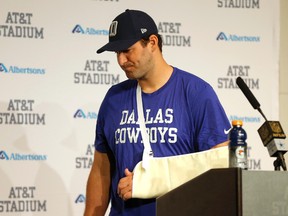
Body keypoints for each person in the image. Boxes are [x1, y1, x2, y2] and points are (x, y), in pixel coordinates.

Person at [84, 9, 230, 216]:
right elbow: (101, 170)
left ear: (152, 42)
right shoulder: (113, 99)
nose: (121, 60)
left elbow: (222, 167)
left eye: (127, 50)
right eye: (117, 53)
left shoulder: (196, 93)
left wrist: (151, 181)